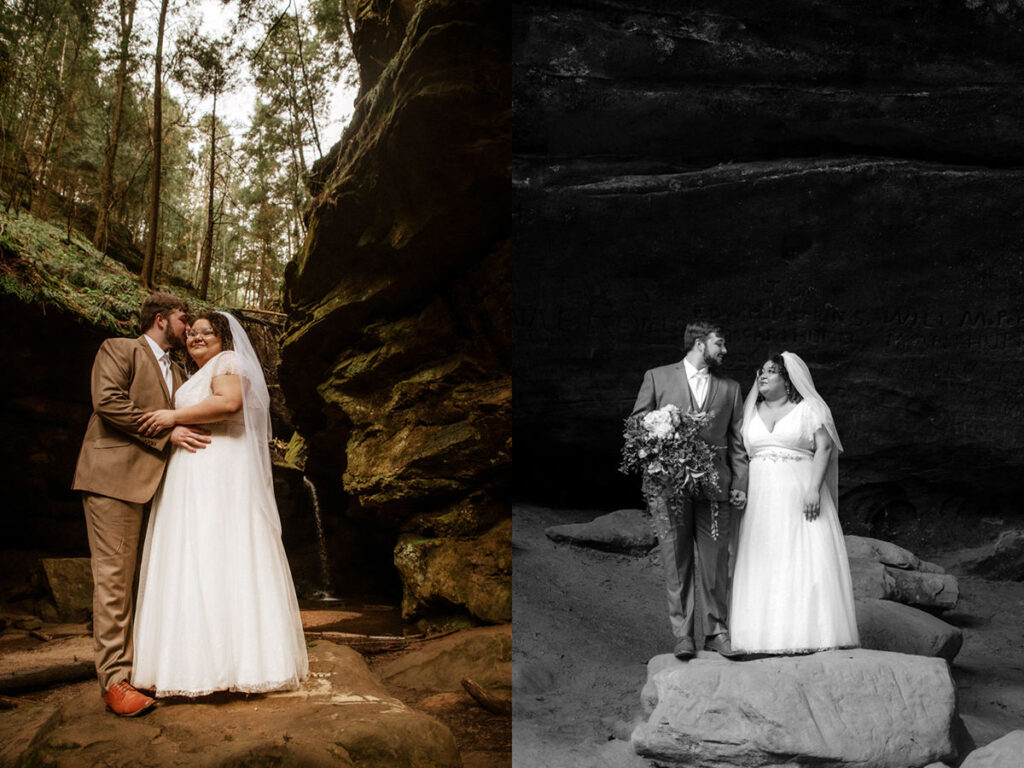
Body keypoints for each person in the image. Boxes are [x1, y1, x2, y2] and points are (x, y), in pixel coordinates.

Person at [129, 311, 308, 697]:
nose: (195, 338)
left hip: (220, 470)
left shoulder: (229, 361)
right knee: (192, 560)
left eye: (205, 332)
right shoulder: (192, 374)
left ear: (223, 337)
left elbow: (228, 404)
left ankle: (244, 664)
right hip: (191, 475)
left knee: (220, 553)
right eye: (191, 333)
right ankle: (194, 666)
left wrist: (171, 416)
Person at [72, 292, 212, 716]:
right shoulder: (120, 348)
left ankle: (146, 667)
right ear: (160, 318)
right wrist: (165, 433)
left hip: (162, 489)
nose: (188, 327)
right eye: (183, 318)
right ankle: (115, 682)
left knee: (153, 579)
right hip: (115, 480)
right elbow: (108, 402)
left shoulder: (182, 370)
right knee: (114, 580)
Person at [630, 321, 748, 659]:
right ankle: (683, 635)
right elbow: (637, 425)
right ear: (699, 343)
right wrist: (662, 436)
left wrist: (739, 483)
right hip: (668, 487)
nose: (724, 351)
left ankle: (716, 632)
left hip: (714, 487)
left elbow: (737, 442)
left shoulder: (731, 389)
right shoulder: (657, 377)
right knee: (675, 560)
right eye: (719, 343)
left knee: (714, 562)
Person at [729, 351, 859, 655]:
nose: (762, 376)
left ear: (788, 381)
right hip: (760, 499)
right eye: (761, 371)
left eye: (771, 372)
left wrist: (814, 489)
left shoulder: (808, 409)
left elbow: (825, 447)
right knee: (763, 558)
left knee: (803, 557)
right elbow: (740, 456)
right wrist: (739, 489)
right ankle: (759, 638)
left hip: (799, 492)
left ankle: (810, 634)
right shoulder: (749, 411)